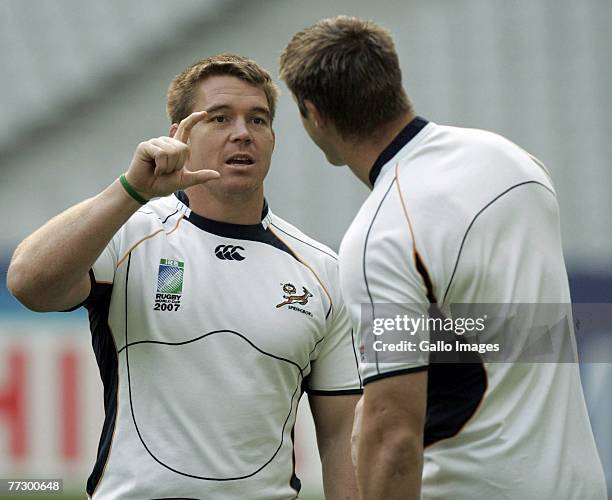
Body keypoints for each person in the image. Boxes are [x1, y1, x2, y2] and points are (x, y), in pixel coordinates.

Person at [280, 16, 607, 500]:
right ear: (392, 80)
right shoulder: (515, 162)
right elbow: (513, 332)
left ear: (314, 114)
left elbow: (393, 437)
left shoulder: (382, 234)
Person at [7, 54, 362, 499]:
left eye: (258, 119)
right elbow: (28, 283)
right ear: (178, 136)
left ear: (273, 138)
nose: (242, 133)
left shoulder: (322, 269)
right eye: (219, 118)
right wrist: (130, 191)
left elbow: (341, 433)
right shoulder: (128, 235)